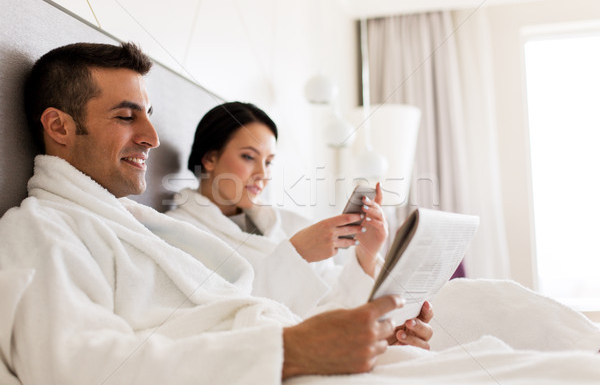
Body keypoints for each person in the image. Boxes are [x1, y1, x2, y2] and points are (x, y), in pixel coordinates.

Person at [0, 42, 433, 384]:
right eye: (126, 116)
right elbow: (77, 367)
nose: (152, 137)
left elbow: (246, 310)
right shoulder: (40, 230)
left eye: (149, 116)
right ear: (58, 126)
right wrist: (293, 350)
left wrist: (371, 334)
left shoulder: (140, 226)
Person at [167, 102, 418, 319]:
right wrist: (296, 254)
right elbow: (221, 318)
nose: (263, 175)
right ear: (209, 159)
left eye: (268, 162)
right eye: (248, 157)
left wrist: (367, 253)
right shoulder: (177, 235)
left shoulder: (286, 224)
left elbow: (334, 297)